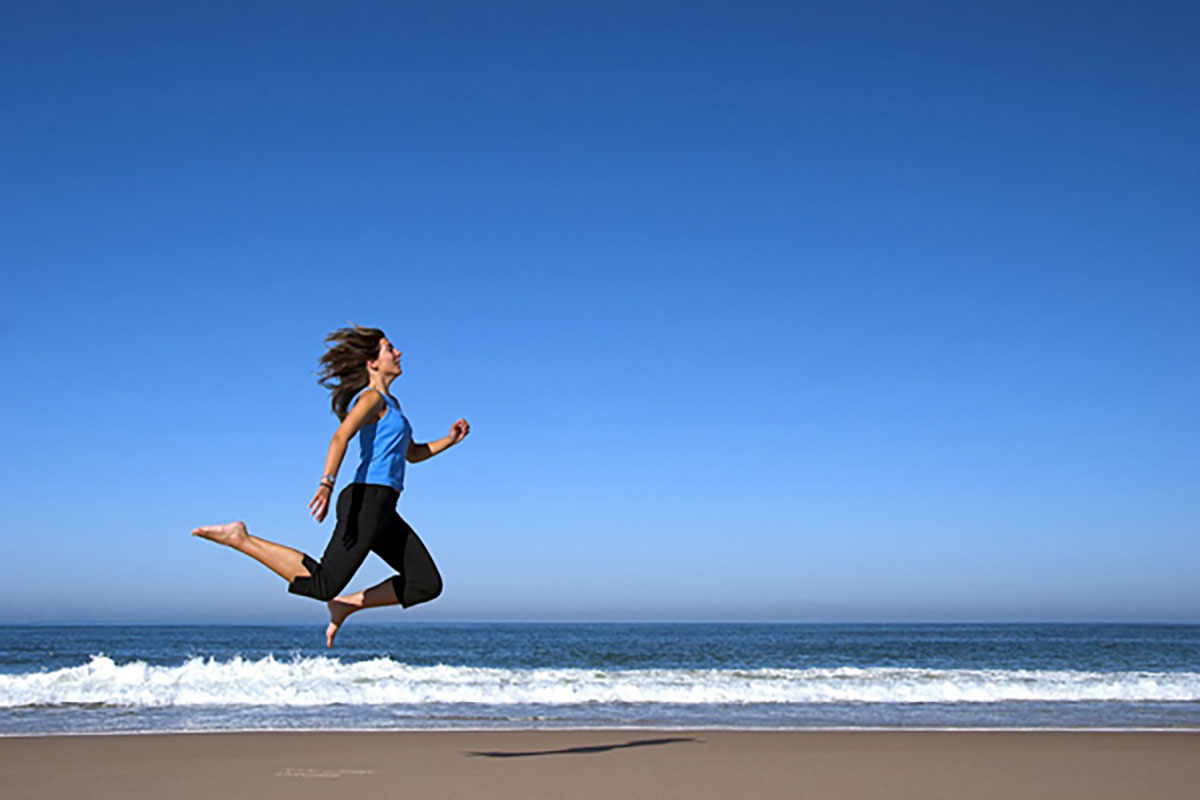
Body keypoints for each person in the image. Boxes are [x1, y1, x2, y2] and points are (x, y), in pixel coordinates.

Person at [191, 324, 469, 647]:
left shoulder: (393, 404)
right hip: (365, 500)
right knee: (323, 584)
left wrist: (450, 440)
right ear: (372, 363)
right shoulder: (371, 399)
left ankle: (346, 605)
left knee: (426, 583)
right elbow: (341, 436)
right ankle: (241, 538)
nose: (398, 353)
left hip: (384, 508)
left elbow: (413, 454)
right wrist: (326, 484)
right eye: (389, 349)